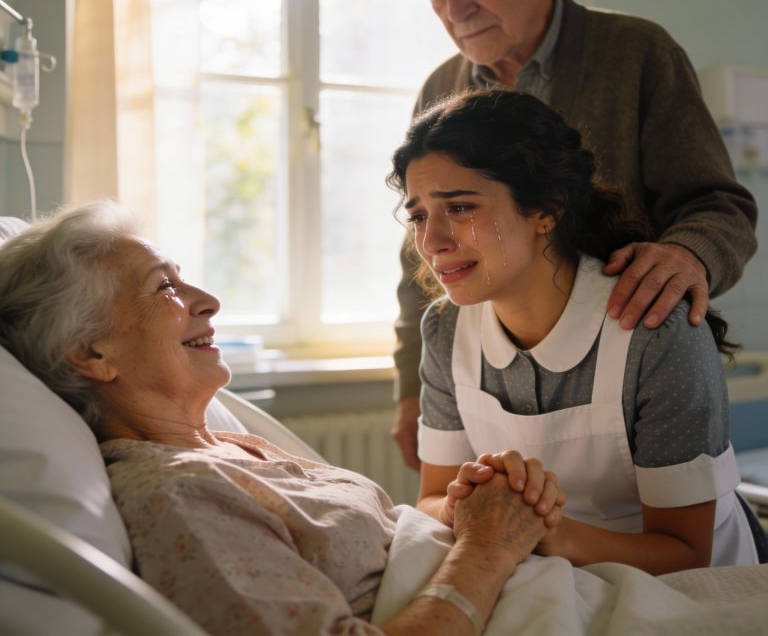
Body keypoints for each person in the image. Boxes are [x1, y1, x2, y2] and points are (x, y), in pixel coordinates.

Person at [0, 200, 564, 636]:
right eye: (164, 286)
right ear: (91, 352)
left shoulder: (224, 449)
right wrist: (486, 547)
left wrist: (468, 517)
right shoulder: (178, 494)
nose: (208, 300)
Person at [390, 0, 758, 470]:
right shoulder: (442, 90)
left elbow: (719, 205)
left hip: (631, 360)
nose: (455, 10)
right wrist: (412, 385)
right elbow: (422, 254)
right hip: (500, 378)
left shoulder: (637, 53)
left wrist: (688, 254)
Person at [386, 89, 766, 574]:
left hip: (689, 587)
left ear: (547, 208)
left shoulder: (652, 330)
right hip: (556, 572)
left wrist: (546, 530)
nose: (431, 242)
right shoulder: (444, 328)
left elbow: (685, 553)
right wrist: (469, 503)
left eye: (459, 208)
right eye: (418, 216)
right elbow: (432, 499)